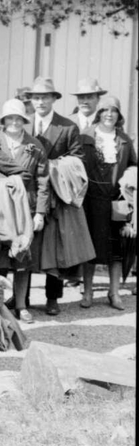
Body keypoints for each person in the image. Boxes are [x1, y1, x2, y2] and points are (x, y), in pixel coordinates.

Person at [26, 77, 95, 317]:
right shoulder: (24, 126)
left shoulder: (67, 127)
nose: (40, 102)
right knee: (27, 245)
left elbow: (78, 161)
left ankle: (52, 298)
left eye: (45, 97)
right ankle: (22, 298)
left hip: (57, 195)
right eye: (36, 97)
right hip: (29, 194)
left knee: (54, 249)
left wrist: (49, 167)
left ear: (54, 99)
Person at [0, 99, 51, 324]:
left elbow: (43, 180)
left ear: (24, 121)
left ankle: (22, 304)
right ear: (3, 121)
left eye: (18, 118)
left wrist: (40, 213)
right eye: (9, 118)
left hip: (26, 206)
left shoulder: (35, 145)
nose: (14, 122)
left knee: (23, 256)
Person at [81, 95, 136, 309]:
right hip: (91, 200)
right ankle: (87, 293)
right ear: (99, 113)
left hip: (116, 200)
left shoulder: (124, 140)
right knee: (90, 247)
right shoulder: (85, 136)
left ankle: (114, 293)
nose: (109, 114)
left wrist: (128, 178)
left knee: (116, 249)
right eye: (105, 110)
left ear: (119, 116)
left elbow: (133, 165)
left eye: (114, 111)